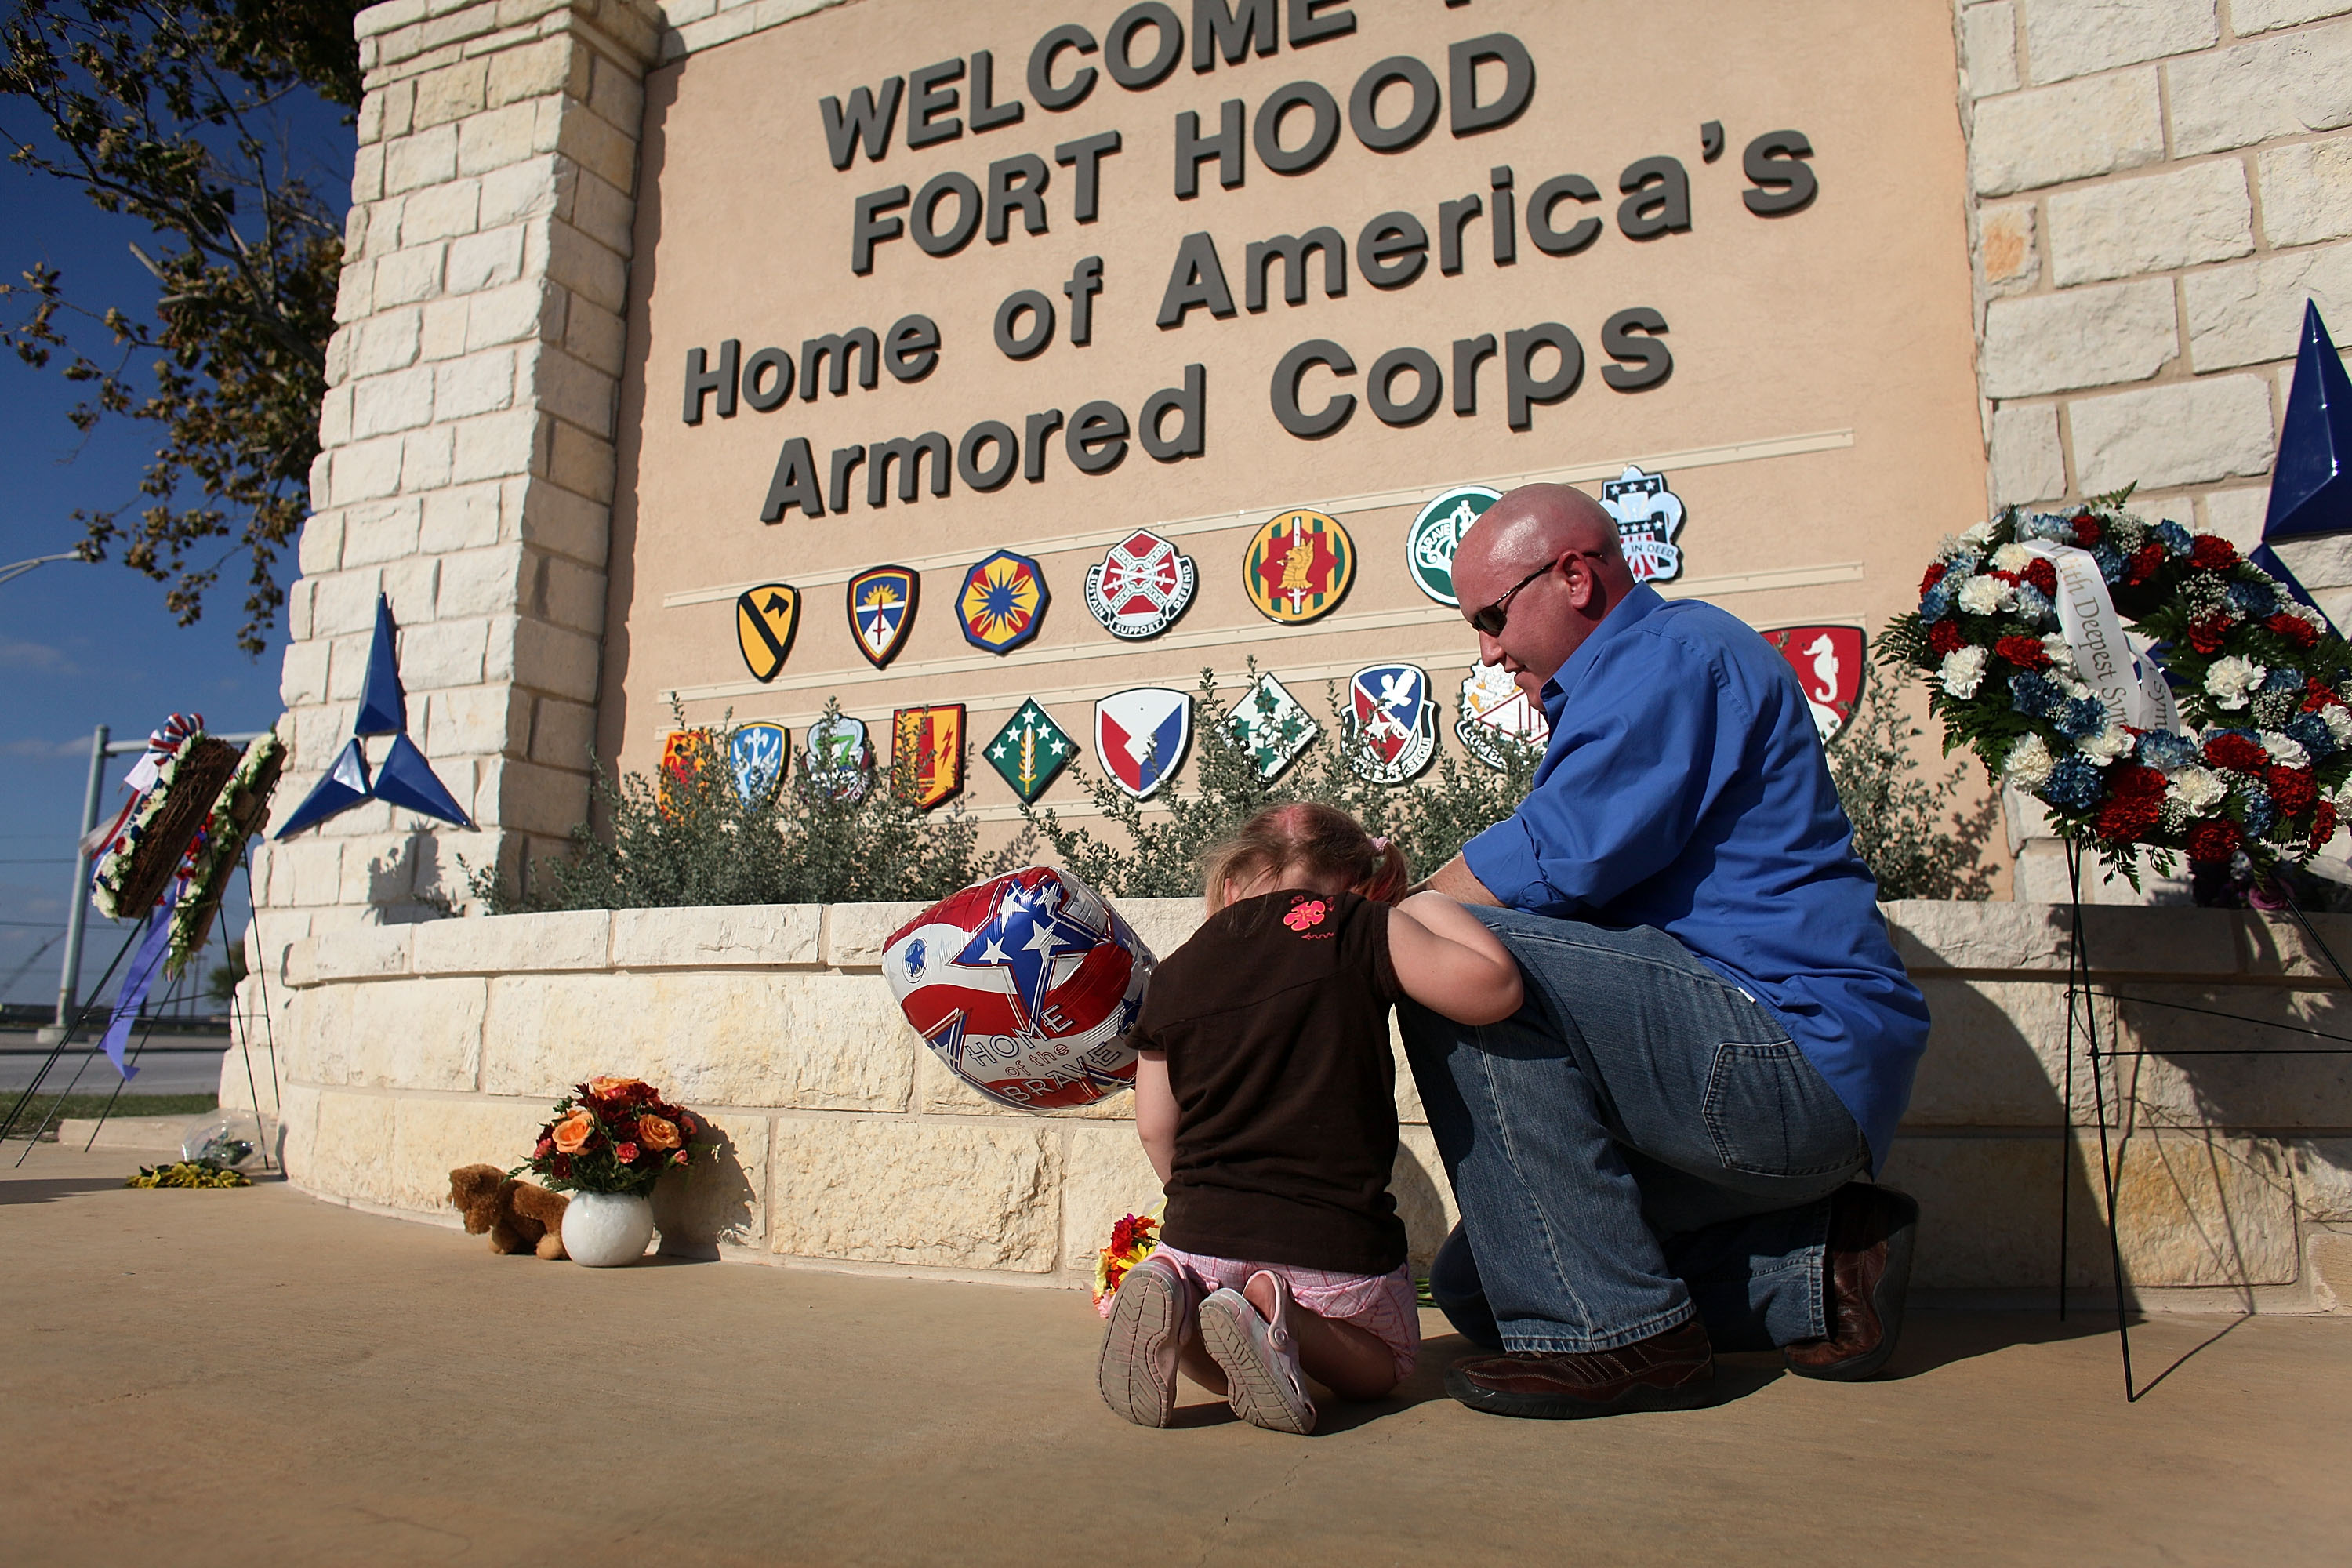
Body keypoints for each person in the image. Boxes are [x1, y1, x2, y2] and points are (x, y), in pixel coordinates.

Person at [1404, 482, 1932, 1420]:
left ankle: (1623, 1342)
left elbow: (1552, 858)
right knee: (1492, 1284)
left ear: (1573, 575)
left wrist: (1361, 923)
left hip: (1784, 1059)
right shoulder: (1636, 678)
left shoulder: (1666, 653)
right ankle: (1822, 1265)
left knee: (1445, 946)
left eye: (1491, 616)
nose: (1487, 650)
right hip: (1746, 1081)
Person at [1097, 803, 1523, 1434]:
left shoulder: (1176, 971)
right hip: (1331, 1247)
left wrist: (1201, 1212)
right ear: (1358, 881)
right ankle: (1282, 1317)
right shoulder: (1354, 925)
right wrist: (1426, 909)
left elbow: (1156, 1126)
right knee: (1388, 1366)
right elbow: (1494, 991)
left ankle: (1176, 1295)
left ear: (1233, 880)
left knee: (1212, 1322)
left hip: (1200, 1238)